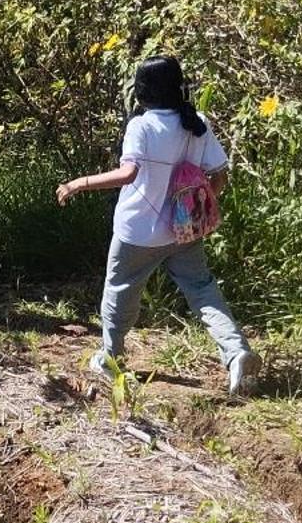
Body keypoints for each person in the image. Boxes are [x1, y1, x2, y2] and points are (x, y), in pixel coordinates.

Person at [57, 55, 260, 396]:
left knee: (121, 289)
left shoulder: (143, 126)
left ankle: (111, 357)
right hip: (184, 231)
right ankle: (236, 351)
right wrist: (197, 204)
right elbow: (219, 174)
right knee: (203, 289)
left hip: (138, 230)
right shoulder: (198, 122)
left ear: (143, 91)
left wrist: (79, 183)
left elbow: (128, 173)